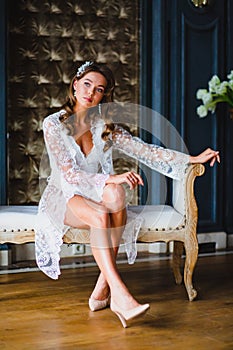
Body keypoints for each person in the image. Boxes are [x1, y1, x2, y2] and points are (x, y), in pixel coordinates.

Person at [35, 61, 220, 328]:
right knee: (102, 211)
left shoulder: (103, 126)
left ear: (103, 96)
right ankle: (120, 295)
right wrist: (112, 177)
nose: (91, 93)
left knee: (117, 195)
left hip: (94, 191)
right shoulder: (53, 124)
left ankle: (103, 286)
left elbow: (145, 150)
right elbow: (69, 176)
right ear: (75, 84)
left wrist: (191, 158)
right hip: (64, 196)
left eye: (99, 89)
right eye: (87, 84)